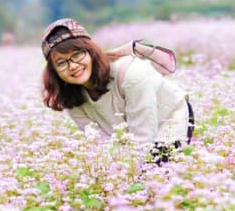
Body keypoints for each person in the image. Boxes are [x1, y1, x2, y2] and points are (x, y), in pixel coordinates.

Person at [41, 18, 193, 163]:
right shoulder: (70, 98)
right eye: (61, 63)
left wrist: (128, 174)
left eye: (77, 54)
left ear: (91, 52)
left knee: (159, 170)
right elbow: (101, 144)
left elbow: (143, 139)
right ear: (54, 71)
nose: (72, 66)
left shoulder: (131, 74)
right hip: (131, 134)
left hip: (169, 119)